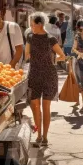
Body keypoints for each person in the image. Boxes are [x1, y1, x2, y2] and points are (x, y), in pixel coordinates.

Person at [25, 12, 66, 147]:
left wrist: (53, 59)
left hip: (48, 75)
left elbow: (62, 56)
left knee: (45, 107)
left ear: (40, 24)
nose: (31, 27)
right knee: (36, 106)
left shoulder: (51, 39)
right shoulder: (30, 37)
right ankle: (39, 135)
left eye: (33, 25)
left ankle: (45, 137)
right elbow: (26, 56)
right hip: (35, 74)